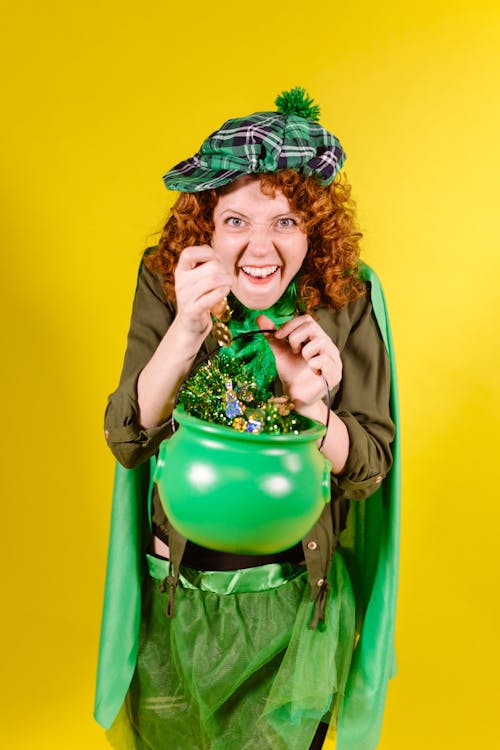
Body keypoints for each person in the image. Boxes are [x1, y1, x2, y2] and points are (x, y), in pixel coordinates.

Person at [95, 88, 400, 750]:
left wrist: (316, 407)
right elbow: (127, 439)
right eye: (236, 220)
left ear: (315, 228)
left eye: (286, 221)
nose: (260, 246)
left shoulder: (348, 295)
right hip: (177, 604)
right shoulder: (164, 280)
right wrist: (183, 331)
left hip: (298, 610)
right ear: (204, 225)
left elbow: (370, 467)